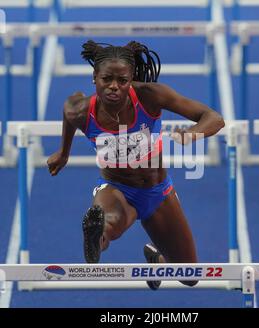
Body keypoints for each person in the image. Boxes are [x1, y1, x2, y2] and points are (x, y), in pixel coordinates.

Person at [47, 40, 225, 289]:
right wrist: (63, 152)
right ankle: (97, 236)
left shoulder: (150, 96)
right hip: (116, 189)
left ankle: (158, 259)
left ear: (131, 80)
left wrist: (192, 134)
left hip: (158, 192)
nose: (114, 87)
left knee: (190, 275)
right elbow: (68, 114)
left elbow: (214, 118)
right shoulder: (80, 111)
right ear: (94, 77)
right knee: (109, 223)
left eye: (122, 81)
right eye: (106, 79)